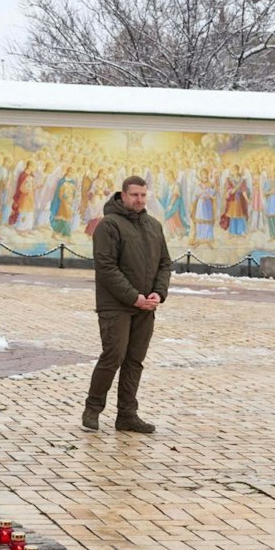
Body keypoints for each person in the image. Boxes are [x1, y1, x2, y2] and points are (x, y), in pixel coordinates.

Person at [85, 176, 171, 435]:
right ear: (122, 195)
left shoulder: (153, 226)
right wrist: (133, 297)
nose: (139, 200)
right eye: (134, 195)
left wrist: (158, 293)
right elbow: (107, 267)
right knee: (114, 356)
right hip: (116, 306)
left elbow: (165, 264)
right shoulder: (108, 226)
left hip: (145, 306)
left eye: (143, 195)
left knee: (135, 360)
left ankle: (127, 414)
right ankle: (93, 408)